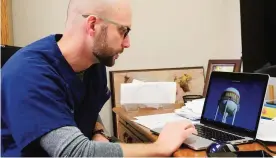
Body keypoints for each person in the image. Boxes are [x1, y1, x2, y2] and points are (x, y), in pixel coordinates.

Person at [1, 0, 197, 157]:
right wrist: (159, 147)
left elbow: (88, 107)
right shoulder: (29, 74)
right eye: (123, 31)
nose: (127, 43)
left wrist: (98, 133)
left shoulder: (94, 63)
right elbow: (75, 152)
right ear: (93, 25)